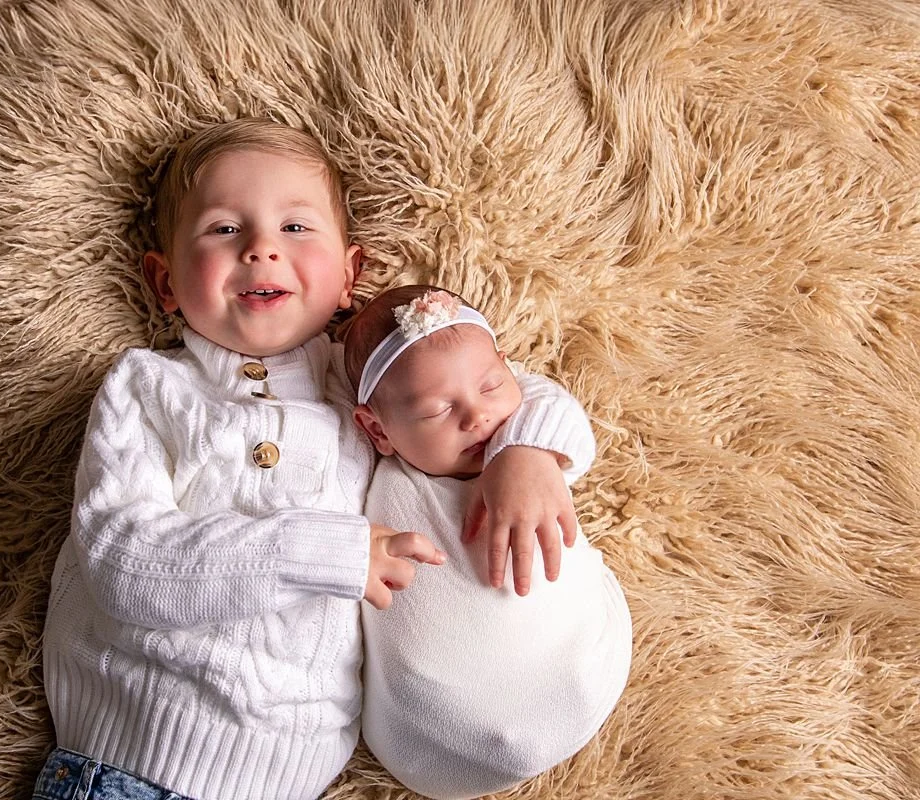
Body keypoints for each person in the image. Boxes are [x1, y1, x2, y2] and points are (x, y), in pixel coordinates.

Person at [34, 119, 594, 800]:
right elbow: (124, 561)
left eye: (296, 228)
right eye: (222, 230)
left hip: (295, 774)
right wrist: (325, 554)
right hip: (133, 758)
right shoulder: (149, 387)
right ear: (166, 282)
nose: (262, 249)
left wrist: (528, 451)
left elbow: (495, 388)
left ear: (349, 277)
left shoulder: (371, 385)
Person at [344, 285, 633, 800]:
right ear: (378, 430)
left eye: (492, 384)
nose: (476, 417)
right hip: (433, 735)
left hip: (578, 671)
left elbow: (550, 405)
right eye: (437, 410)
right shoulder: (375, 472)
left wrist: (528, 453)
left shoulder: (519, 435)